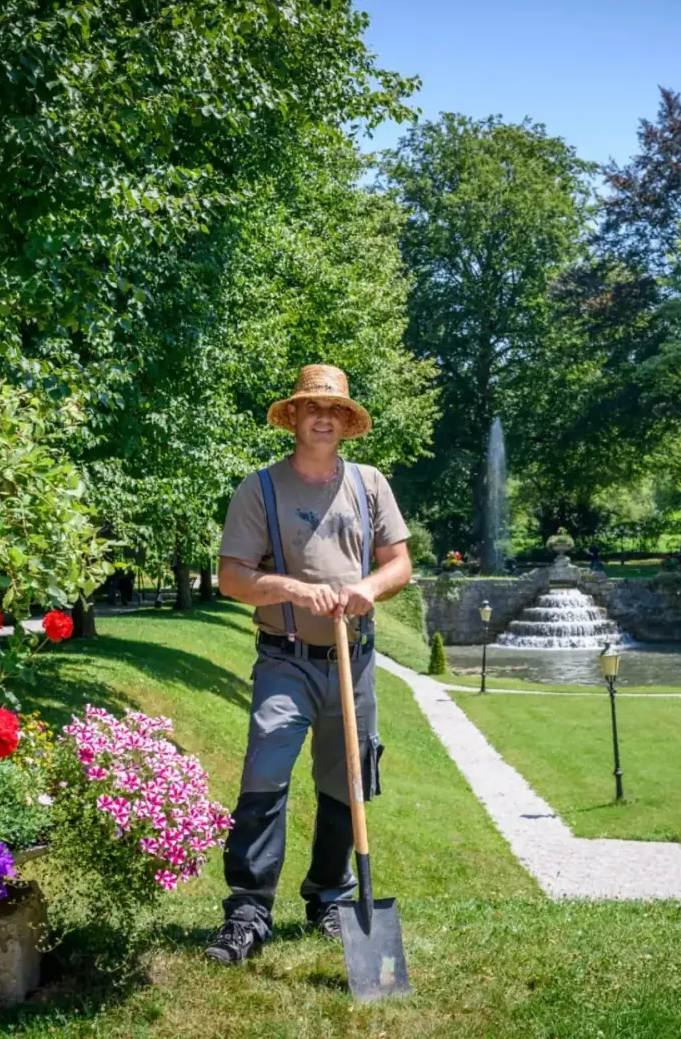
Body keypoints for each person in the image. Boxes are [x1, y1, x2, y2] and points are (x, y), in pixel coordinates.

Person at [205, 364, 412, 965]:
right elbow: (231, 577)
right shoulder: (259, 490)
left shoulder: (369, 484)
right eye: (312, 408)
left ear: (347, 423)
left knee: (348, 780)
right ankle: (248, 913)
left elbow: (398, 563)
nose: (323, 418)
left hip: (354, 657)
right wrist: (293, 590)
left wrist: (369, 588)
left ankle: (331, 900)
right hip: (285, 659)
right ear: (293, 417)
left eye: (334, 410)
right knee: (265, 772)